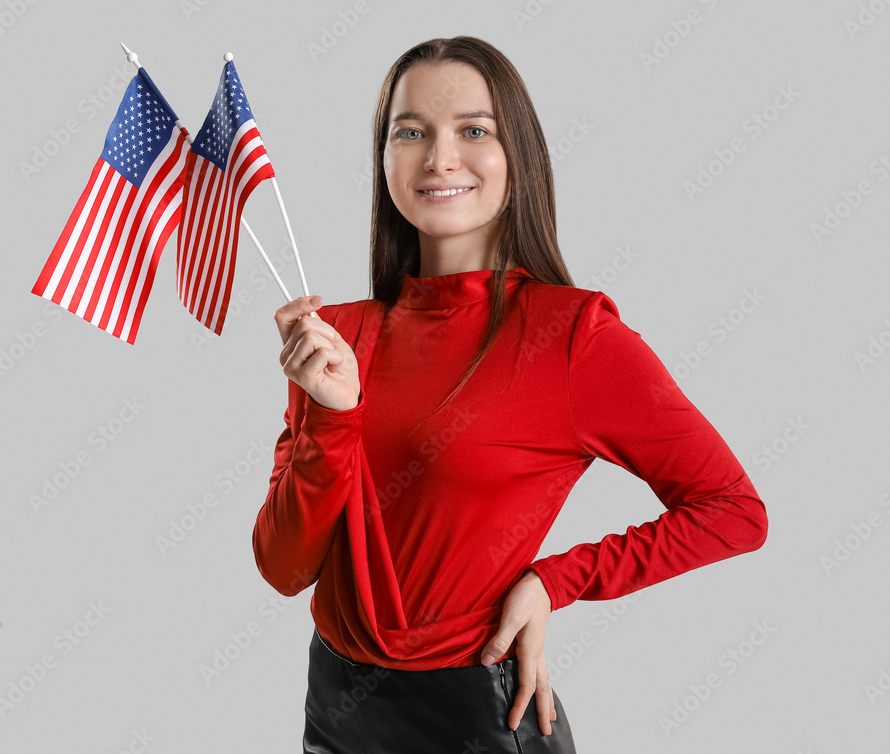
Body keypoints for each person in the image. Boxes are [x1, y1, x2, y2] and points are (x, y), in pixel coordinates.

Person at [252, 35, 768, 753]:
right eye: (411, 132)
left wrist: (554, 580)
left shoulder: (573, 336)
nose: (439, 158)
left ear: (517, 155)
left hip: (477, 716)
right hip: (336, 712)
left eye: (473, 131)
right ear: (384, 158)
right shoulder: (333, 340)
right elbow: (285, 568)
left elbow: (733, 512)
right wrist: (333, 417)